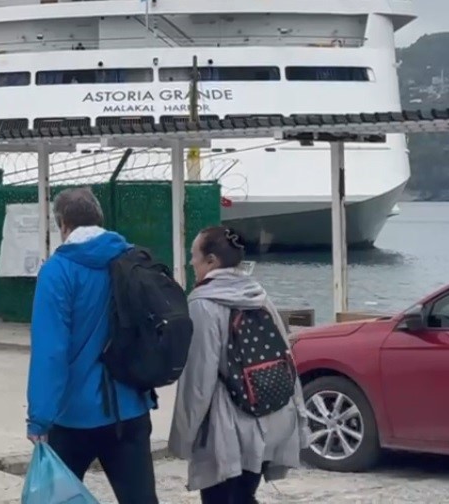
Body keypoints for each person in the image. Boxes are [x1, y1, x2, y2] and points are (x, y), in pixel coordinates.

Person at [26, 187, 159, 504]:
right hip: (130, 409)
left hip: (73, 416)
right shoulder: (132, 261)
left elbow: (50, 351)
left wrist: (39, 418)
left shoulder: (57, 272)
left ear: (63, 224)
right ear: (100, 219)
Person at [168, 227, 308, 504]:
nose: (191, 262)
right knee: (244, 495)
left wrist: (183, 438)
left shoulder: (203, 304)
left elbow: (198, 382)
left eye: (194, 256)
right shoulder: (259, 296)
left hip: (227, 429)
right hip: (270, 419)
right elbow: (286, 357)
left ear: (211, 261)